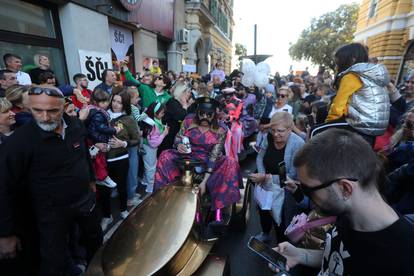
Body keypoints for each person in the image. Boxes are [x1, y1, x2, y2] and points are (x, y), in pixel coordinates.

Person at [272, 128, 414, 275]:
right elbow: (338, 255)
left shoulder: (404, 258)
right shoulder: (347, 213)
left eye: (309, 190)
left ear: (345, 188)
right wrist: (300, 255)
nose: (307, 196)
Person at [0, 86, 102, 275]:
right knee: (53, 259)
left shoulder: (75, 126)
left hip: (84, 201)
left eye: (52, 111)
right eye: (37, 110)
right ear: (29, 108)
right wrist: (6, 233)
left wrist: (91, 181)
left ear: (63, 106)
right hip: (50, 212)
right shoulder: (19, 142)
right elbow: (5, 187)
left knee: (94, 241)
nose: (45, 117)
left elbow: (84, 155)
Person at [154, 97, 241, 225]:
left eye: (209, 115)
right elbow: (178, 138)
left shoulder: (221, 129)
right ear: (197, 112)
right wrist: (179, 145)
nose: (205, 117)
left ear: (214, 115)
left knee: (230, 163)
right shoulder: (189, 120)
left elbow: (214, 155)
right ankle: (162, 197)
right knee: (165, 155)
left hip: (208, 159)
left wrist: (204, 182)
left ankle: (218, 212)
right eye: (202, 114)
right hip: (187, 155)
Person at [313, 43, 390, 145]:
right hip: (373, 128)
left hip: (359, 124)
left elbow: (338, 106)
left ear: (352, 59)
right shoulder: (371, 74)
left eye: (339, 62)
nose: (337, 66)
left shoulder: (352, 76)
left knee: (315, 131)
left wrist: (328, 125)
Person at [250, 112, 305, 243]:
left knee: (281, 220)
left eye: (280, 131)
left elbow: (291, 175)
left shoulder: (298, 144)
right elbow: (260, 157)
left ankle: (281, 252)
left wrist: (265, 177)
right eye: (273, 130)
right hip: (265, 183)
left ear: (290, 129)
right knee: (264, 211)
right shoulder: (269, 137)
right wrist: (263, 178)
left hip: (284, 189)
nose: (275, 134)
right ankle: (265, 233)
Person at [98, 90, 140, 230]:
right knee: (104, 190)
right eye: (114, 101)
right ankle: (106, 216)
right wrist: (97, 144)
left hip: (121, 158)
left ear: (125, 105)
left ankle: (123, 210)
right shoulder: (102, 114)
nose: (115, 104)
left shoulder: (128, 119)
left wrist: (123, 144)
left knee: (121, 186)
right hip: (102, 160)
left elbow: (137, 140)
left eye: (120, 102)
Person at [141, 102, 168, 193]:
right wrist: (164, 134)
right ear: (155, 113)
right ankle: (150, 187)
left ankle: (145, 181)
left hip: (147, 147)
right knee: (151, 167)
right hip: (150, 148)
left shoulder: (152, 120)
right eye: (162, 113)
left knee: (148, 165)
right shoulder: (152, 124)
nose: (163, 115)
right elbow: (154, 143)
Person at [158, 83, 191, 153]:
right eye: (187, 92)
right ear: (181, 93)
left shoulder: (177, 103)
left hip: (172, 136)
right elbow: (181, 117)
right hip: (167, 137)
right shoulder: (173, 102)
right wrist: (185, 106)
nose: (189, 94)